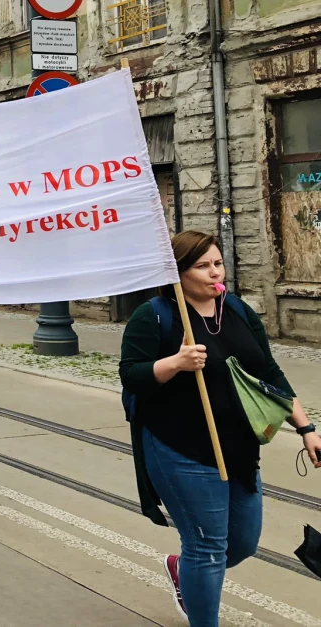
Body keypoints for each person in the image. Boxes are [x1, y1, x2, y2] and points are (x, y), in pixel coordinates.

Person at [120, 231, 321, 625]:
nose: (215, 272)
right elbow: (132, 375)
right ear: (178, 274)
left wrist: (306, 427)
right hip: (180, 447)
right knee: (208, 547)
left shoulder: (239, 311)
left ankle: (184, 568)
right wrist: (174, 363)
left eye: (218, 263)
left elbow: (269, 372)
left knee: (242, 543)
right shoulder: (155, 315)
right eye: (202, 265)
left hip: (240, 446)